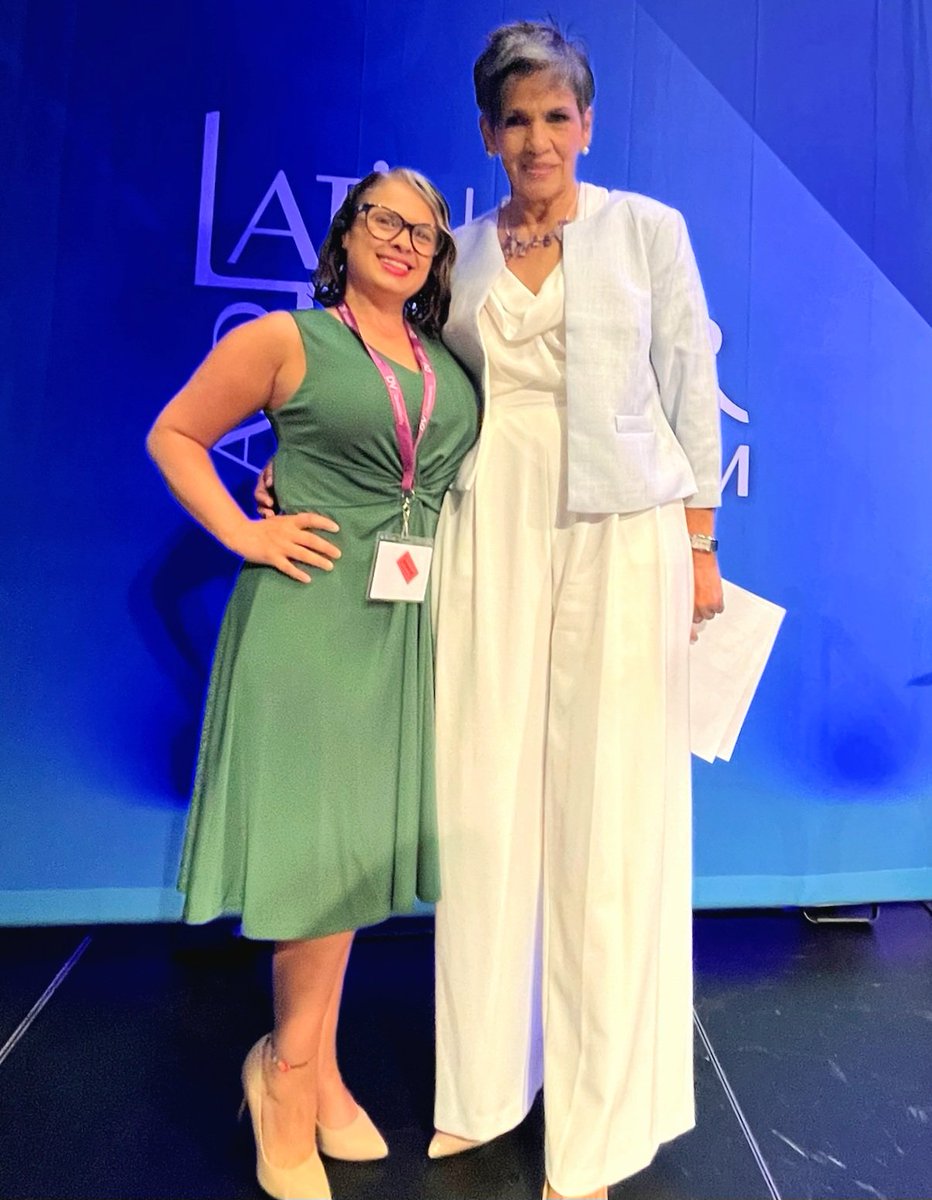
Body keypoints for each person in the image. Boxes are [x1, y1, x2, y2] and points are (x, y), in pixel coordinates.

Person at [426, 21, 724, 1200]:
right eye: (516, 119)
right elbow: (417, 393)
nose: (537, 138)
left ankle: (594, 1134)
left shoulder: (647, 231)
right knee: (484, 808)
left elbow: (688, 387)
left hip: (620, 536)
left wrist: (699, 543)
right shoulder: (456, 250)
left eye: (557, 117)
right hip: (488, 531)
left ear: (586, 127)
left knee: (604, 824)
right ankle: (483, 1088)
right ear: (489, 133)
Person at [147, 168, 479, 1200]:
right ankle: (284, 1082)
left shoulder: (442, 361)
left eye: (423, 232)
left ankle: (317, 1064)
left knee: (355, 859)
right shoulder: (289, 338)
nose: (403, 240)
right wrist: (247, 528)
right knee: (318, 858)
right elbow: (174, 434)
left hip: (402, 630)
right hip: (308, 622)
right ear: (346, 234)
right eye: (383, 218)